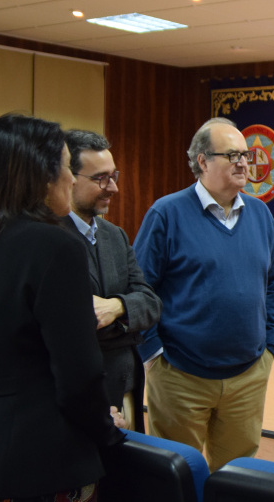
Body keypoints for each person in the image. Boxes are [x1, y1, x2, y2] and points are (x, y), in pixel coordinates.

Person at [0, 114, 125, 502]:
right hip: (34, 463)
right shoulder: (56, 248)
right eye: (67, 167)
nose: (71, 178)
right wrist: (107, 429)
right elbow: (78, 376)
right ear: (40, 176)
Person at [134, 117, 274, 471]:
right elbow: (139, 288)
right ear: (202, 161)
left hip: (247, 376)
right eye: (232, 154)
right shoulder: (166, 213)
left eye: (246, 154)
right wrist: (153, 353)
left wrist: (271, 345)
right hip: (180, 376)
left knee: (238, 478)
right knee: (176, 474)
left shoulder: (261, 214)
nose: (244, 162)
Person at [62, 129, 161, 433]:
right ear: (68, 177)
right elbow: (68, 327)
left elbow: (151, 304)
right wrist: (126, 323)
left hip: (125, 385)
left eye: (113, 175)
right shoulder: (46, 239)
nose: (114, 188)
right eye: (101, 179)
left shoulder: (114, 236)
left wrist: (117, 308)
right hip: (76, 393)